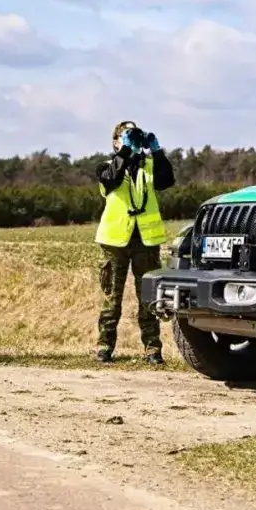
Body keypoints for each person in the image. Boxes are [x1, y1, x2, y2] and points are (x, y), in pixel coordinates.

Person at [93, 120, 175, 364]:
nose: (132, 139)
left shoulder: (149, 165)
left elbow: (166, 181)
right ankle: (104, 347)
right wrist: (126, 151)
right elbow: (112, 179)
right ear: (116, 142)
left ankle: (152, 349)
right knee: (112, 298)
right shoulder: (106, 166)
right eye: (126, 135)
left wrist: (156, 151)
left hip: (145, 240)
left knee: (148, 297)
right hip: (115, 241)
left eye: (134, 135)